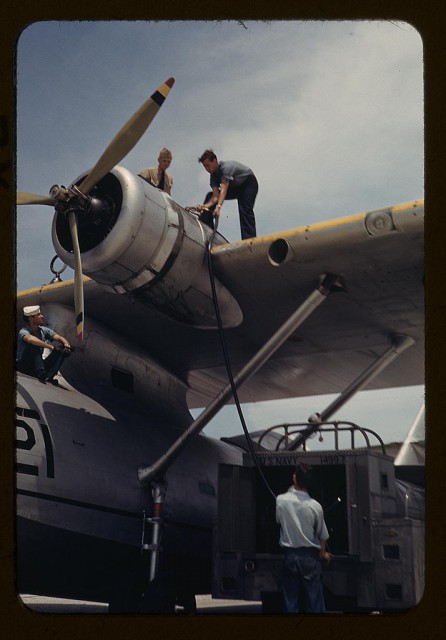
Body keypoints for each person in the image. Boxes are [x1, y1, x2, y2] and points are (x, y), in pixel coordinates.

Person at [275, 464, 331, 613]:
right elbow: (322, 534)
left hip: (289, 556)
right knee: (314, 602)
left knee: (290, 601)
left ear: (294, 477)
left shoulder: (280, 500)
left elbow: (278, 521)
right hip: (309, 558)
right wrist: (323, 553)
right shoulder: (315, 506)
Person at [195, 149, 257, 239]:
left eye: (208, 165)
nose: (207, 169)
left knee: (244, 208)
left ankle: (249, 239)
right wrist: (204, 206)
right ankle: (206, 229)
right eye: (205, 167)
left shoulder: (226, 168)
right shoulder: (213, 177)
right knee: (209, 196)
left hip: (248, 184)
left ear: (214, 161)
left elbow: (224, 190)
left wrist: (218, 208)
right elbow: (216, 197)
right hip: (236, 187)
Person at [16, 305, 72, 384]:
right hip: (23, 365)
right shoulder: (23, 331)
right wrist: (50, 347)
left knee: (61, 350)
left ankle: (49, 376)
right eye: (38, 315)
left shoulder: (43, 330)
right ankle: (41, 372)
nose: (42, 316)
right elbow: (30, 339)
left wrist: (66, 344)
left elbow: (58, 337)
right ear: (31, 318)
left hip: (35, 366)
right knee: (34, 344)